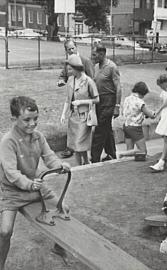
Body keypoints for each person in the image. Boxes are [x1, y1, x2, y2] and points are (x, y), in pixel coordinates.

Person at [0, 96, 71, 270]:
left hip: (36, 186)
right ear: (14, 119)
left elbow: (49, 156)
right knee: (5, 231)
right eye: (27, 120)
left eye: (35, 119)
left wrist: (60, 166)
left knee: (64, 209)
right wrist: (28, 184)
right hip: (12, 191)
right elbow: (11, 173)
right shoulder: (8, 141)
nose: (32, 124)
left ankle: (58, 247)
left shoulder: (38, 137)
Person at [58, 39, 94, 159]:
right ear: (66, 51)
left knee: (82, 132)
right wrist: (61, 80)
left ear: (76, 47)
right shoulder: (68, 63)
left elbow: (91, 78)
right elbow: (63, 74)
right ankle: (71, 149)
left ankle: (85, 156)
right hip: (72, 100)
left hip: (84, 101)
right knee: (72, 127)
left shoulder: (86, 61)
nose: (72, 50)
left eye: (73, 48)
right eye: (69, 49)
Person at [60, 55, 99, 166]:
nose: (69, 71)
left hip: (84, 117)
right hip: (73, 117)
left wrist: (81, 102)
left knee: (78, 143)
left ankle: (84, 164)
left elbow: (97, 99)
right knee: (75, 145)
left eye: (71, 69)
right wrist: (63, 114)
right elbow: (68, 99)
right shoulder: (71, 80)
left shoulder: (88, 81)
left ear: (77, 68)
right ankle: (83, 164)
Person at [91, 45, 122, 163]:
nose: (93, 57)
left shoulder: (112, 67)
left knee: (99, 131)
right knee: (107, 129)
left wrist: (117, 106)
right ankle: (111, 154)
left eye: (95, 54)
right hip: (99, 102)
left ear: (102, 54)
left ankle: (94, 158)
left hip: (109, 101)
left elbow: (118, 87)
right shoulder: (96, 67)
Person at [117, 82, 155, 158]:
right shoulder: (140, 102)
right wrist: (154, 113)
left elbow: (132, 111)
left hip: (126, 125)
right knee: (143, 151)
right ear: (142, 93)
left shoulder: (127, 98)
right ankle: (121, 154)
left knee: (129, 150)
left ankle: (126, 163)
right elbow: (151, 115)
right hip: (135, 127)